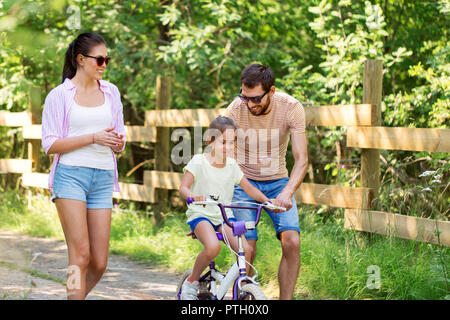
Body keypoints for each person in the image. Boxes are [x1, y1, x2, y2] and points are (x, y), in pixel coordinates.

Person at [41, 33, 126, 300]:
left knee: (99, 263)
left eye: (107, 59)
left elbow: (120, 143)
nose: (104, 64)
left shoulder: (111, 92)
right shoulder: (59, 95)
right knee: (80, 255)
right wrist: (93, 137)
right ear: (81, 59)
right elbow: (50, 144)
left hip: (102, 178)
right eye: (99, 59)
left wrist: (116, 142)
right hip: (70, 177)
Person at [225, 64, 308, 300]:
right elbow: (226, 158)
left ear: (271, 91)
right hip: (243, 182)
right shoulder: (235, 108)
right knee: (247, 247)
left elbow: (302, 159)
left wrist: (287, 192)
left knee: (291, 241)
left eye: (256, 99)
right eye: (245, 97)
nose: (250, 104)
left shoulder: (291, 108)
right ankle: (245, 297)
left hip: (278, 181)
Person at [178, 116, 277, 300]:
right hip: (201, 214)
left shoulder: (232, 166)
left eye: (232, 143)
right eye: (224, 142)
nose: (229, 147)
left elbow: (249, 188)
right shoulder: (199, 161)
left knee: (247, 249)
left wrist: (266, 202)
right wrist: (192, 196)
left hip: (223, 216)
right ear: (210, 141)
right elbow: (183, 188)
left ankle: (240, 290)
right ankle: (191, 281)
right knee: (213, 247)